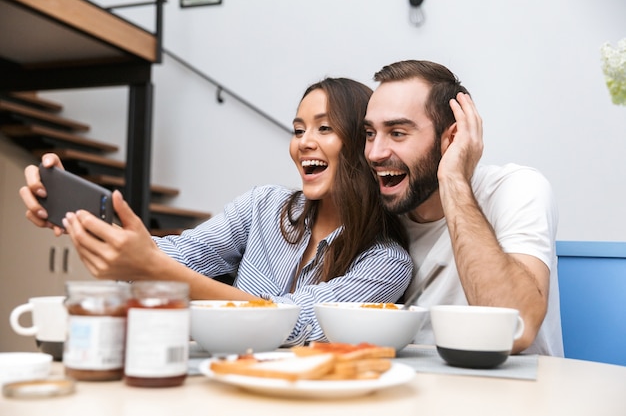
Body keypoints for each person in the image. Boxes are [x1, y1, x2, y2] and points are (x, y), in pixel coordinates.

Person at [19, 78, 413, 346]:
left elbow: (297, 323)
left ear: (363, 145)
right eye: (297, 130)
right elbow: (182, 253)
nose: (304, 143)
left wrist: (154, 269)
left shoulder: (386, 262)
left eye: (324, 129)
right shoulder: (264, 206)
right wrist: (84, 217)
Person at [363, 60, 563, 356]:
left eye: (397, 133)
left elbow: (516, 330)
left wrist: (453, 179)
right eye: (369, 133)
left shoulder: (516, 187)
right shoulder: (378, 213)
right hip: (410, 391)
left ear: (452, 138)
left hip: (516, 395)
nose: (375, 153)